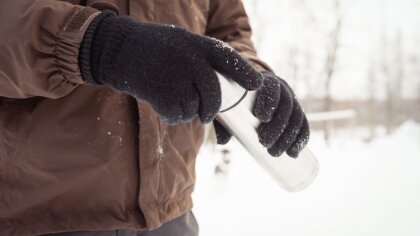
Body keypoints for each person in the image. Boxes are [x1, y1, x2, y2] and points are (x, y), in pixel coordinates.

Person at [0, 0, 309, 235]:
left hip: (171, 214)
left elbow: (227, 30)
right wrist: (99, 44)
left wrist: (254, 79)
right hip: (40, 214)